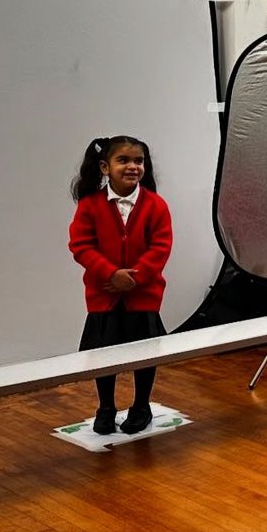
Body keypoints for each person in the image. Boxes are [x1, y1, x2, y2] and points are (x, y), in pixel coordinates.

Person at [69, 135, 173, 435]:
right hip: (105, 296)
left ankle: (142, 405)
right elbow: (80, 245)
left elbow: (161, 247)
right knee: (104, 355)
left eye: (138, 161)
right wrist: (110, 274)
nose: (132, 166)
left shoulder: (155, 205)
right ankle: (106, 407)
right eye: (123, 160)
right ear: (105, 167)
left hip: (144, 297)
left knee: (144, 354)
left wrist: (134, 279)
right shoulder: (90, 206)